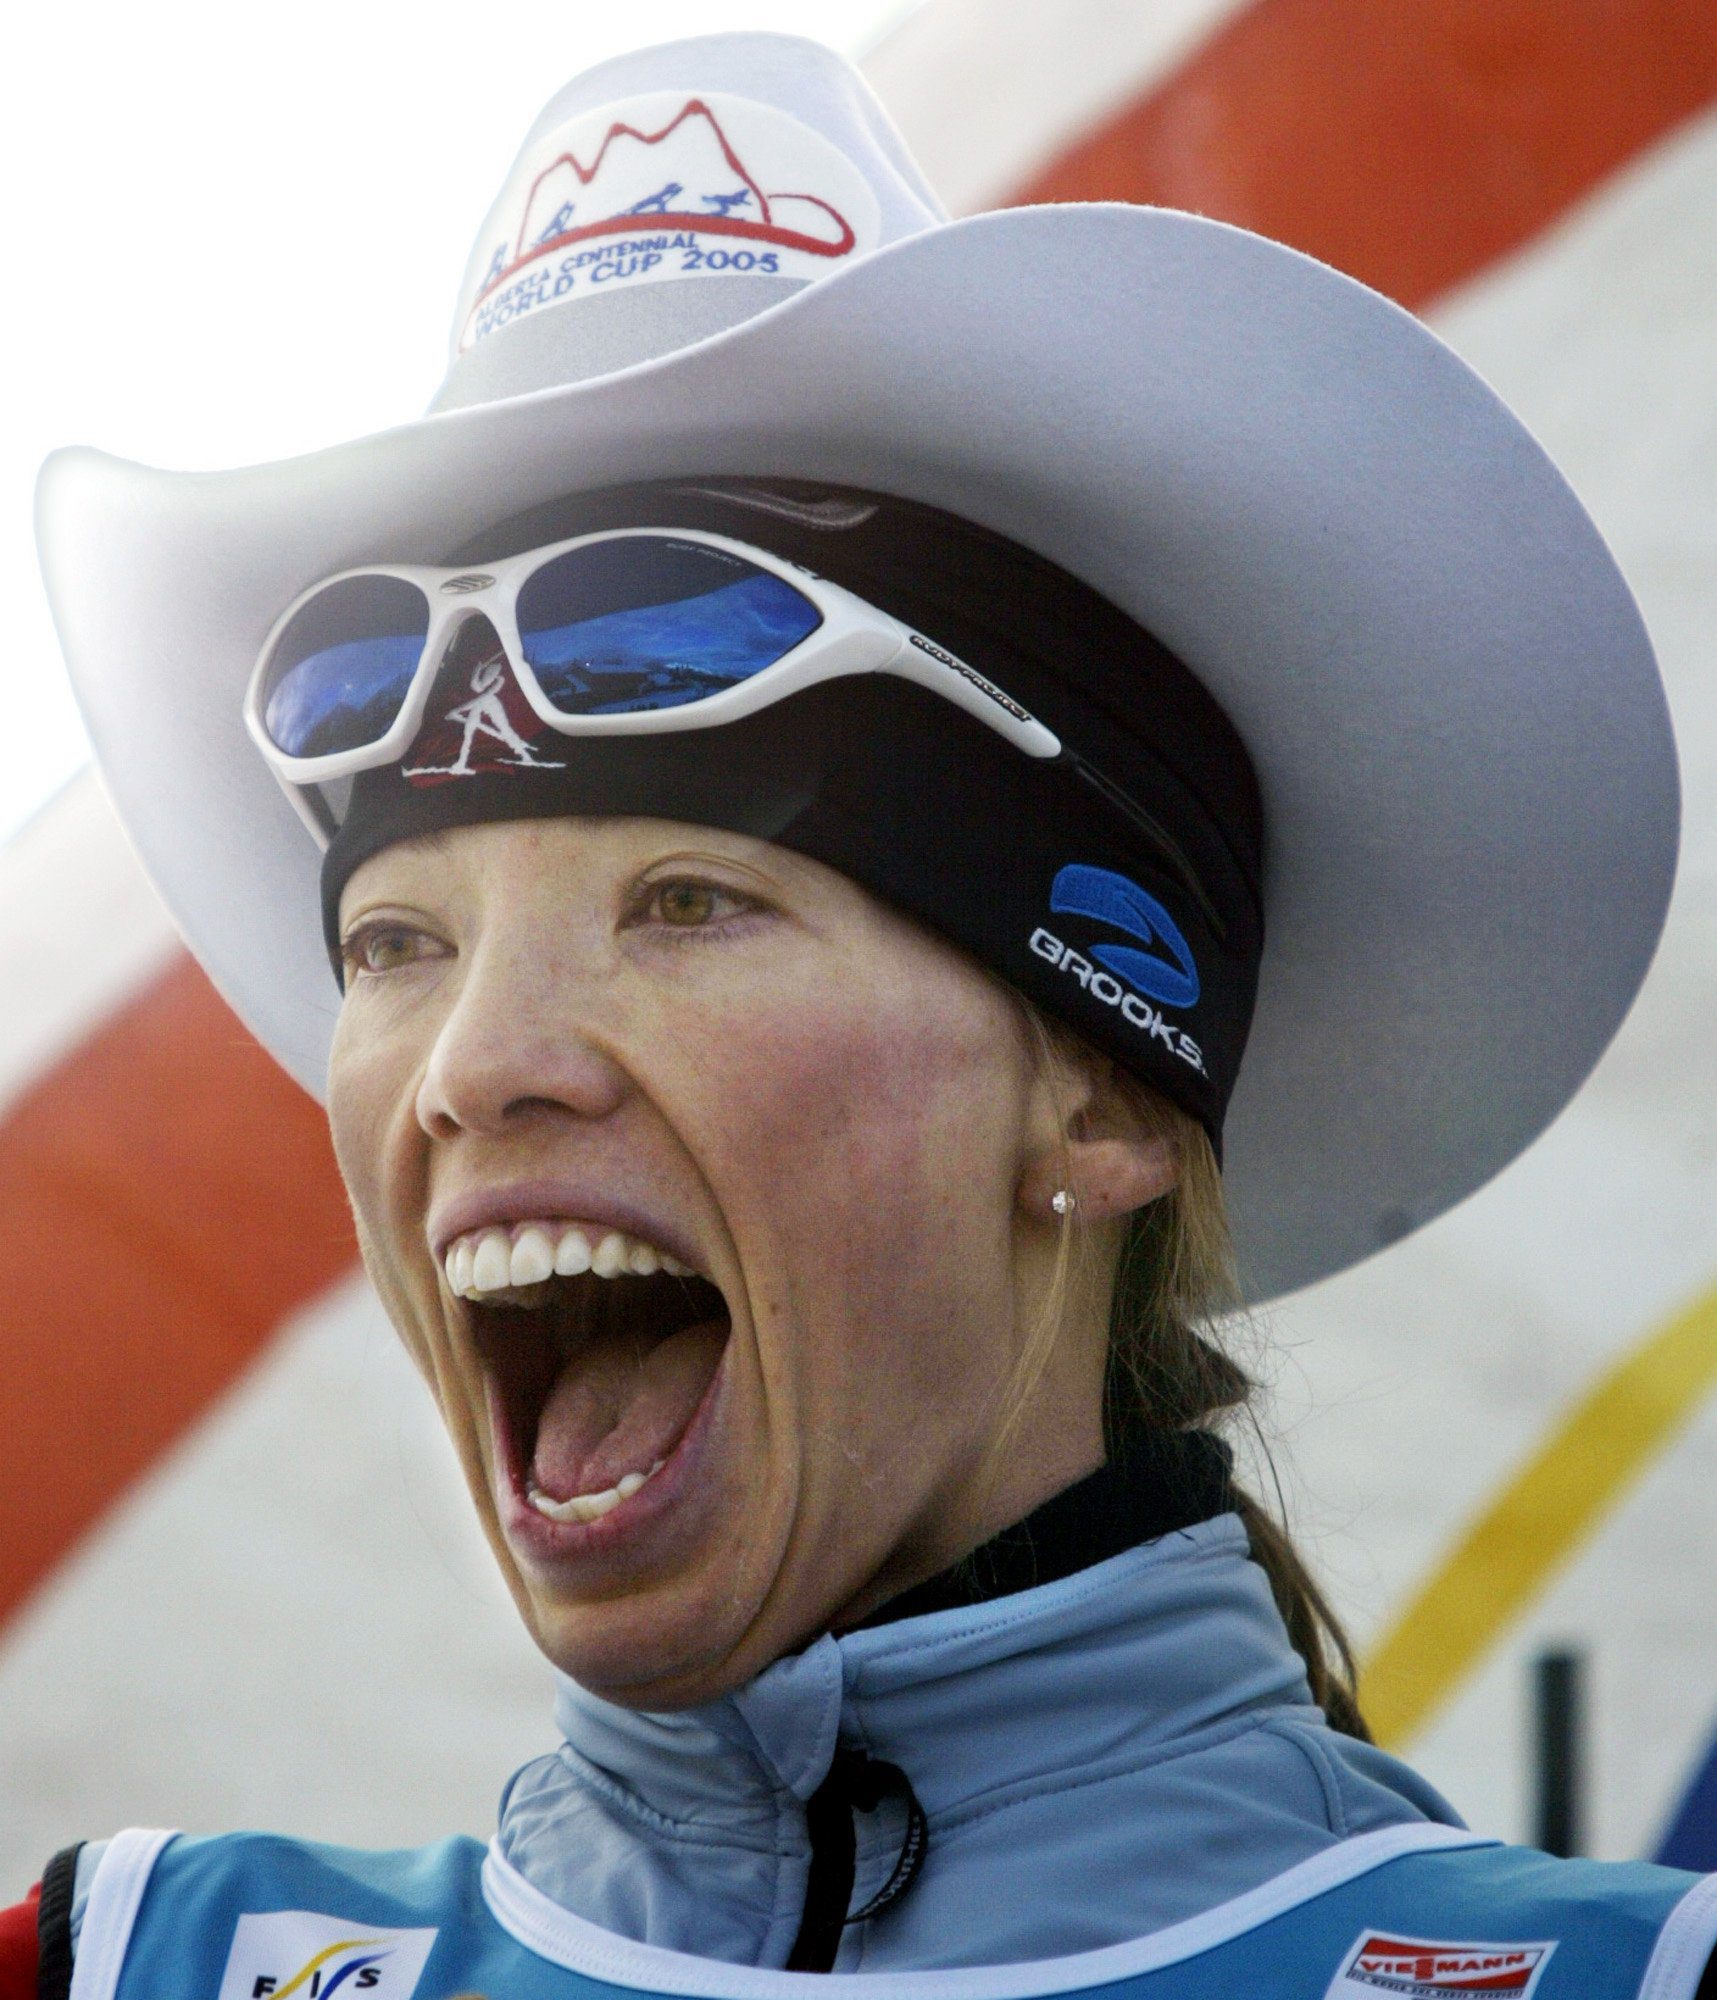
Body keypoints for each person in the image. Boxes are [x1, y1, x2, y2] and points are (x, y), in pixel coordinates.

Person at [18, 29, 1714, 2000]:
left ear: (1095, 1090)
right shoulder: (122, 1963)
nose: (474, 1066)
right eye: (399, 941)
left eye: (687, 904)